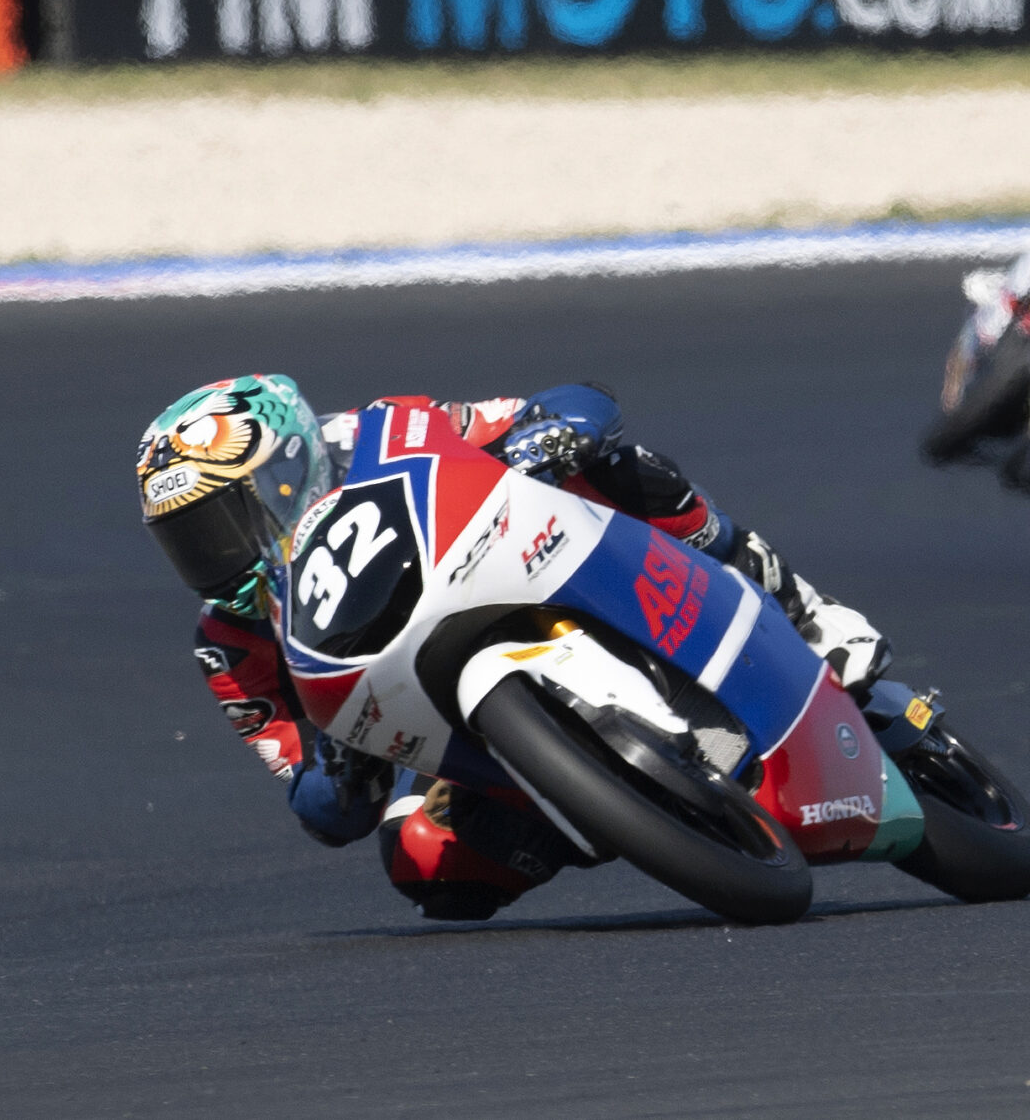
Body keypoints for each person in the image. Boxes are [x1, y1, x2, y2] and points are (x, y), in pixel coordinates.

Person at [138, 376, 887, 921]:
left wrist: (552, 431)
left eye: (227, 521)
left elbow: (565, 404)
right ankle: (594, 806)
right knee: (425, 859)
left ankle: (791, 599)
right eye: (191, 544)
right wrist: (339, 766)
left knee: (613, 465)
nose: (218, 558)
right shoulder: (230, 646)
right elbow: (319, 809)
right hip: (440, 720)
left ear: (286, 471)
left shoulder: (387, 429)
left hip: (529, 565)